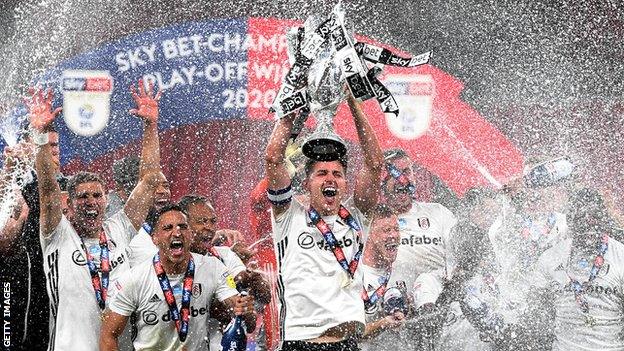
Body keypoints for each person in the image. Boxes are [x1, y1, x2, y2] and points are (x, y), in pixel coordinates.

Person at [30, 80, 165, 351]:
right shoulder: (57, 235)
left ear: (106, 200)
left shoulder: (120, 230)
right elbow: (47, 187)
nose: (90, 202)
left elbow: (150, 180)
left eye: (96, 196)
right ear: (69, 203)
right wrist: (41, 135)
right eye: (82, 196)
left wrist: (150, 127)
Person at [265, 92, 383, 351]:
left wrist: (353, 103)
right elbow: (273, 158)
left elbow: (375, 164)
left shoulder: (356, 216)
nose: (330, 179)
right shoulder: (289, 216)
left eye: (337, 174)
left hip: (348, 343)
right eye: (321, 173)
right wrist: (289, 111)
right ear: (307, 182)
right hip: (302, 342)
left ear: (345, 183)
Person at [100, 203, 256, 350]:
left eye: (183, 226)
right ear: (154, 238)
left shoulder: (213, 267)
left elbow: (238, 308)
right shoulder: (135, 278)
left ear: (190, 234)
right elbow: (108, 335)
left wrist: (243, 309)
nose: (177, 232)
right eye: (168, 228)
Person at [530, 188, 624, 350]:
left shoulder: (621, 257)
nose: (588, 223)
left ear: (603, 219)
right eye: (580, 217)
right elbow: (539, 315)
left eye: (593, 216)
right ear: (570, 222)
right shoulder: (550, 258)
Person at [358, 204, 405, 348]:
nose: (393, 235)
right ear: (370, 233)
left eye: (396, 229)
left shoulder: (403, 268)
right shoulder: (354, 274)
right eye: (386, 230)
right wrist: (383, 324)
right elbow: (347, 334)